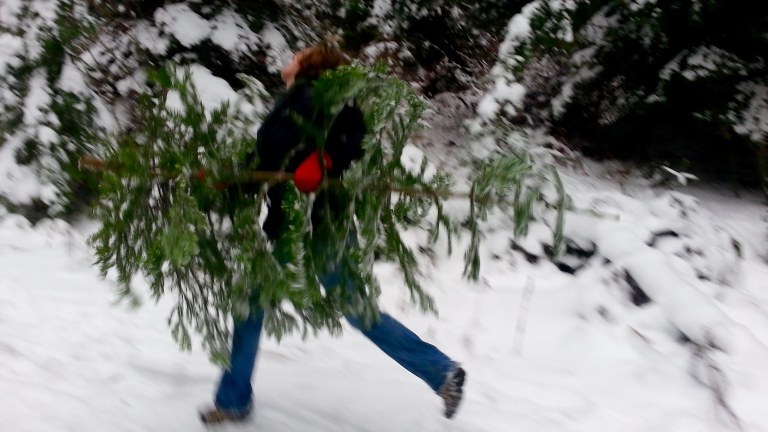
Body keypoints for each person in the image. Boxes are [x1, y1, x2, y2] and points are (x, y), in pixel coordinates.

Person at [199, 39, 466, 424]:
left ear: (311, 64)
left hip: (320, 227)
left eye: (297, 54)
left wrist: (326, 160)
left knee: (335, 310)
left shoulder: (321, 95)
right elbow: (267, 160)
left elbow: (354, 134)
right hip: (293, 227)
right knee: (260, 305)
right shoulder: (289, 104)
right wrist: (230, 177)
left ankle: (442, 372)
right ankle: (233, 398)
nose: (289, 58)